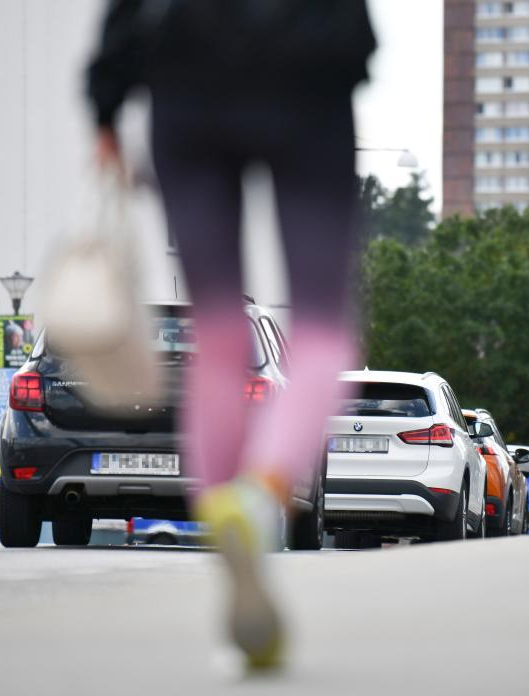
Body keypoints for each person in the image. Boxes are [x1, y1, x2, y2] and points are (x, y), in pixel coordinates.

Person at [86, 0, 375, 670]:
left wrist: (105, 108)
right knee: (322, 334)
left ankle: (230, 550)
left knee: (217, 336)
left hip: (186, 81)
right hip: (309, 81)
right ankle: (259, 493)